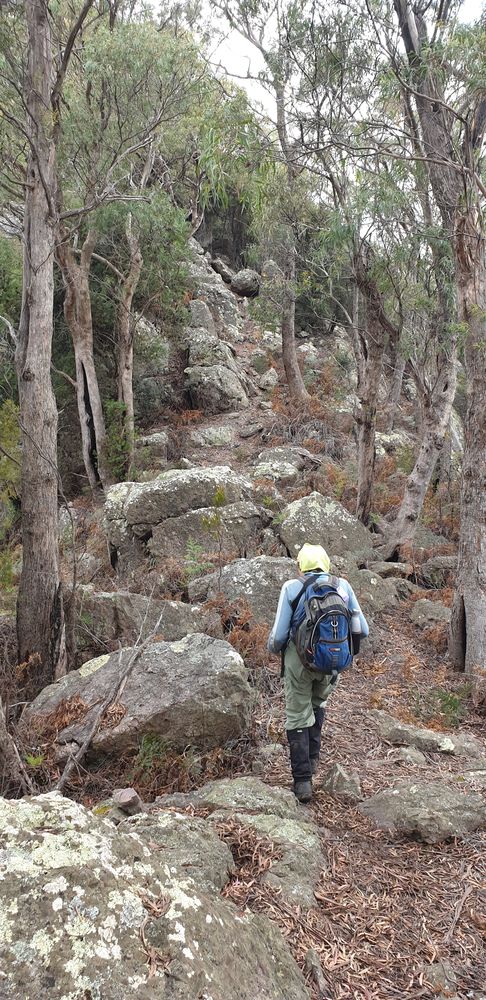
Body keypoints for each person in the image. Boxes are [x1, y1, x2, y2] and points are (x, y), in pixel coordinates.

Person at [268, 542, 369, 803]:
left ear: (300, 566)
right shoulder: (342, 586)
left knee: (297, 715)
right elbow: (363, 630)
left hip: (298, 663)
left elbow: (279, 636)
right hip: (331, 663)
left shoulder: (292, 587)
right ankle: (313, 762)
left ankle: (302, 783)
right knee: (317, 704)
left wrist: (274, 649)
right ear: (326, 564)